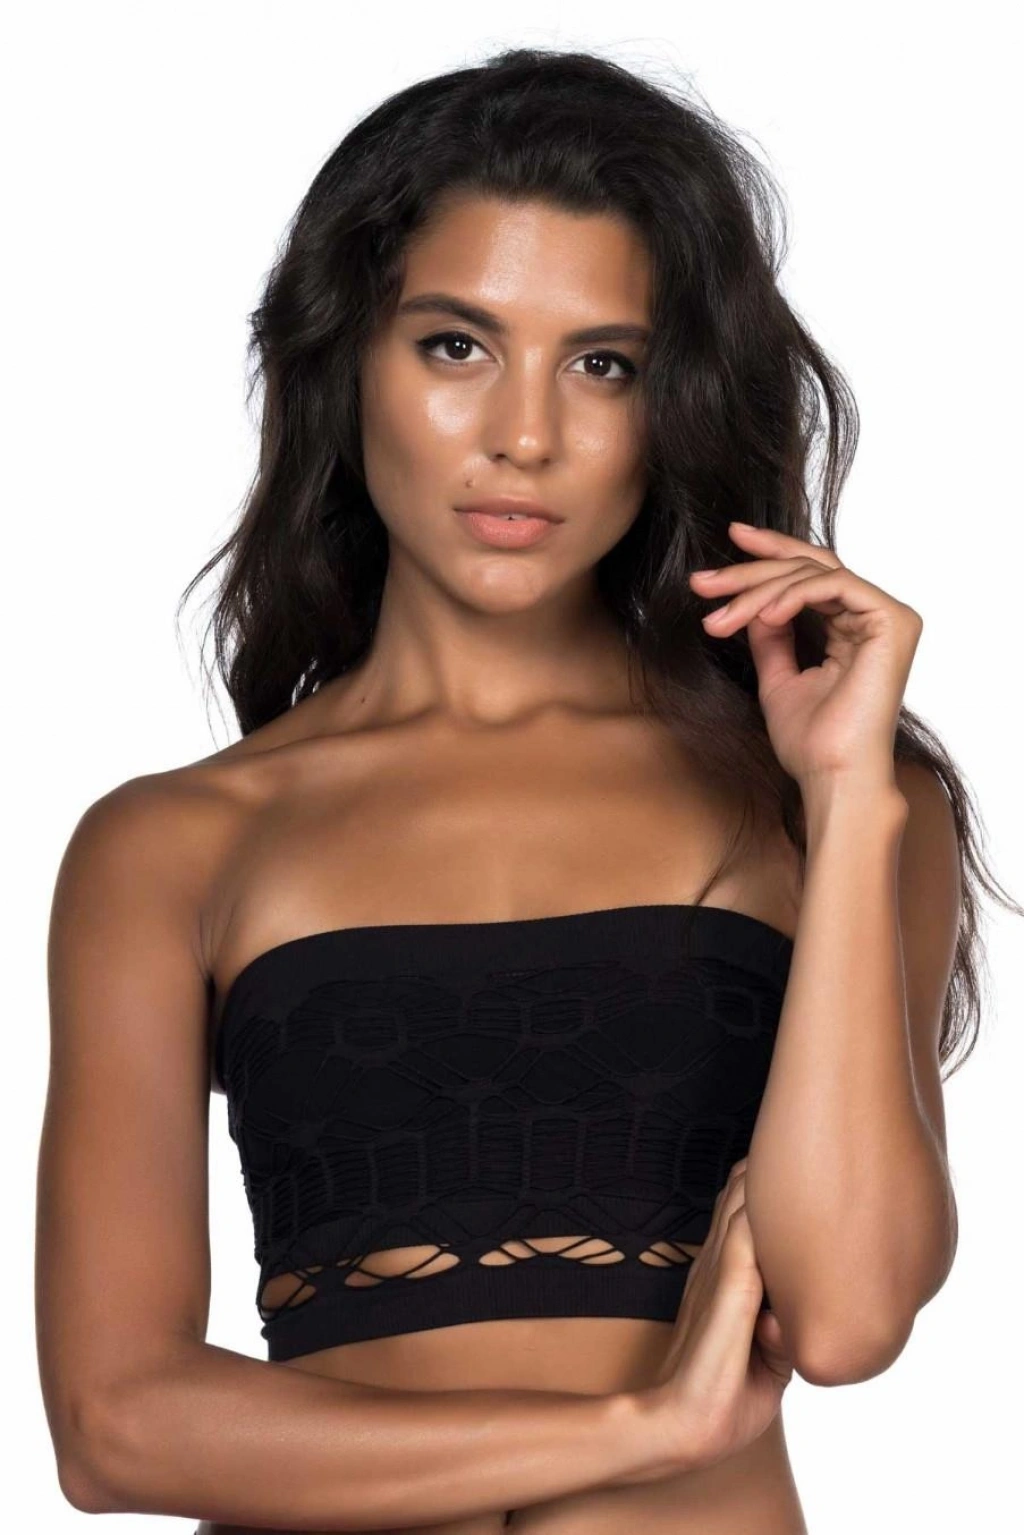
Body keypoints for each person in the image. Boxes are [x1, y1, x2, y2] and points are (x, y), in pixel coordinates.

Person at [35, 44, 1014, 1535]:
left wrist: (847, 795)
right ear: (343, 364)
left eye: (604, 365)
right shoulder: (171, 843)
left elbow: (848, 1312)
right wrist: (638, 1428)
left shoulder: (826, 796)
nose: (527, 436)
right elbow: (116, 1427)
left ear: (675, 404)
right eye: (456, 346)